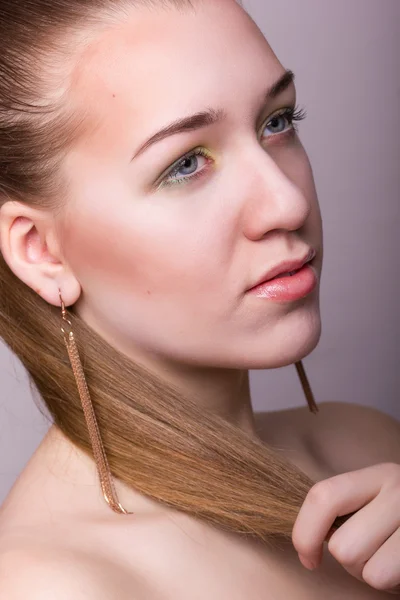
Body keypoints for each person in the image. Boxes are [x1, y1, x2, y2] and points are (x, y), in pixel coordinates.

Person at [0, 0, 399, 597]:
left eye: (277, 121)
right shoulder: (59, 585)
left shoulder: (367, 447)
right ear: (41, 253)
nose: (287, 204)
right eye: (186, 164)